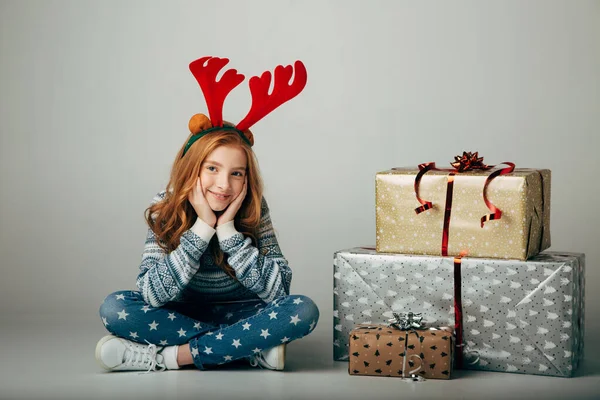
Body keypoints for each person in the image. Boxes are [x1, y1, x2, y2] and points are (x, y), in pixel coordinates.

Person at [94, 56, 319, 373]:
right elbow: (149, 293)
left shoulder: (253, 205)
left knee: (303, 309)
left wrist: (227, 230)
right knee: (115, 308)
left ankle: (168, 357)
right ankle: (247, 349)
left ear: (247, 177)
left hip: (242, 313)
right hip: (177, 314)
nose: (224, 185)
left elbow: (279, 290)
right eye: (212, 168)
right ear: (191, 168)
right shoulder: (167, 205)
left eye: (237, 173)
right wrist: (201, 229)